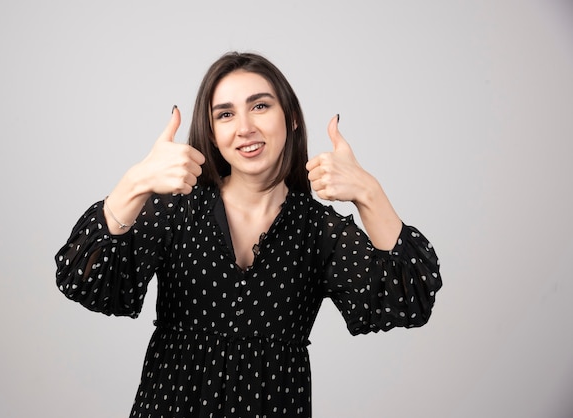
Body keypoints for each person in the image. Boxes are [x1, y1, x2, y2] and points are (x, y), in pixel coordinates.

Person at [55, 51, 442, 417]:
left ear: (290, 117)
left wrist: (369, 194)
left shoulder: (318, 230)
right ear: (212, 130)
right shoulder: (177, 209)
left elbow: (409, 301)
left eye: (260, 106)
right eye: (225, 114)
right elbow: (86, 282)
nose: (244, 128)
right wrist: (135, 182)